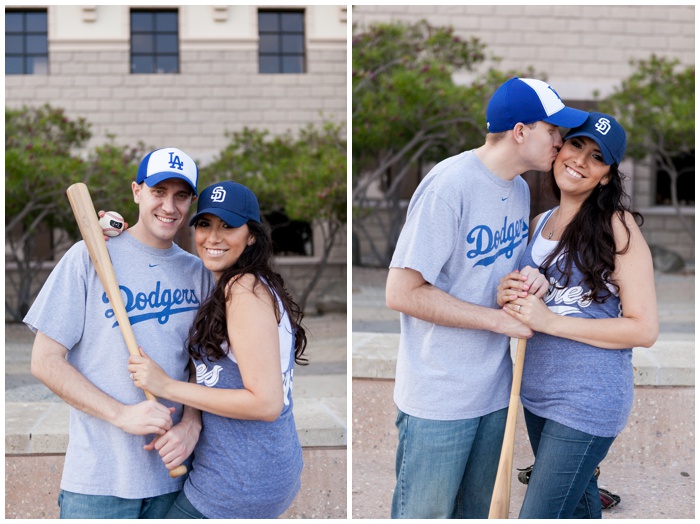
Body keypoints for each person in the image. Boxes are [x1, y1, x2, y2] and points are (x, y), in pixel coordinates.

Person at [384, 77, 588, 519]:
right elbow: (401, 292)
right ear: (520, 131)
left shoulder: (517, 189)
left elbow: (496, 279)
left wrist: (529, 281)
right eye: (553, 132)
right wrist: (497, 321)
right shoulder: (449, 184)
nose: (561, 142)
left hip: (495, 391)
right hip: (439, 397)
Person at [24, 147, 214, 519]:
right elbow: (44, 362)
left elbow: (202, 366)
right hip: (97, 485)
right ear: (136, 192)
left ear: (192, 201)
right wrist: (121, 414)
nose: (169, 207)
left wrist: (191, 424)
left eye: (180, 196)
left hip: (175, 484)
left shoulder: (199, 273)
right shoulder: (89, 256)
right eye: (159, 192)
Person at [497, 112, 658, 518]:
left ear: (606, 176)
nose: (581, 161)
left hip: (587, 400)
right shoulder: (538, 223)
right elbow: (530, 301)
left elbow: (644, 328)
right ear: (559, 150)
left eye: (598, 157)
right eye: (576, 145)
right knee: (579, 504)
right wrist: (510, 292)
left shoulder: (616, 226)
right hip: (536, 394)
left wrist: (548, 321)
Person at [128, 181, 307, 519]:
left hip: (241, 480)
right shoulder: (236, 281)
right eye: (205, 224)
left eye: (228, 226)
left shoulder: (243, 290)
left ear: (251, 235)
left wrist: (166, 386)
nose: (213, 237)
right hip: (252, 468)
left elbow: (266, 402)